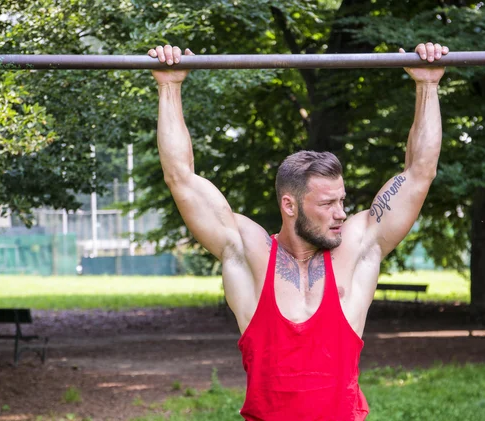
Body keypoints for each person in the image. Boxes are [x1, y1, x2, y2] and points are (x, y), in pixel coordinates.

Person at [149, 42, 448, 421]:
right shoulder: (249, 252)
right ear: (289, 206)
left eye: (342, 201)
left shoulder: (356, 248)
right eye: (327, 204)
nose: (341, 214)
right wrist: (169, 86)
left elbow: (419, 173)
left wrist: (427, 86)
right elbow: (181, 178)